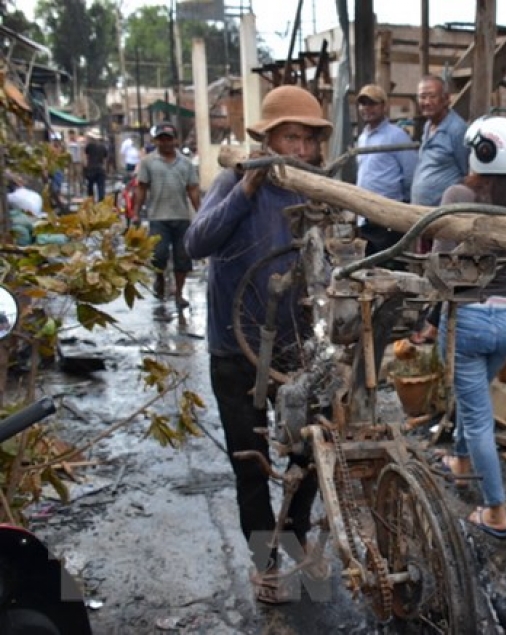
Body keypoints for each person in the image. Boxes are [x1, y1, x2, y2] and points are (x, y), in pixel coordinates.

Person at [183, 85, 333, 604]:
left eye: (308, 140)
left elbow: (327, 261)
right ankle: (263, 562)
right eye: (291, 137)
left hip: (294, 350)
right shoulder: (233, 181)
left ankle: (292, 538)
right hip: (236, 348)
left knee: (310, 452)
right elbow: (196, 242)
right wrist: (245, 190)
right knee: (250, 461)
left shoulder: (315, 189)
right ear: (267, 138)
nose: (300, 150)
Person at [431, 116, 506, 539]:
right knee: (473, 394)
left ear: (481, 152)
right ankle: (459, 462)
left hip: (470, 318)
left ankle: (495, 509)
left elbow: (441, 268)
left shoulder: (458, 195)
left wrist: (433, 315)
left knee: (478, 417)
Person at [132, 121, 201, 310]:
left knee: (182, 258)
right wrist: (136, 214)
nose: (165, 142)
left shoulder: (186, 164)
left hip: (181, 217)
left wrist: (201, 213)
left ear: (175, 140)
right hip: (157, 217)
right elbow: (142, 188)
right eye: (161, 139)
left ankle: (179, 293)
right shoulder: (148, 162)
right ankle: (160, 278)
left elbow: (193, 189)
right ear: (156, 141)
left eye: (168, 139)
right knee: (158, 255)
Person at [355, 83, 418, 259]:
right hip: (365, 215)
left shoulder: (396, 136)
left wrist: (401, 206)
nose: (367, 108)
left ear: (384, 106)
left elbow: (410, 174)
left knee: (390, 266)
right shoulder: (362, 137)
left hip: (387, 217)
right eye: (363, 104)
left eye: (372, 104)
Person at [410, 74, 469, 212]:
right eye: (422, 97)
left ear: (446, 99)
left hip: (441, 215)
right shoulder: (428, 126)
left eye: (432, 96)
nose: (426, 102)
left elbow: (466, 172)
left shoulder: (457, 130)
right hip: (420, 212)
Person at [83, 130, 108, 202]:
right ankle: (101, 203)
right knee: (101, 187)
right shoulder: (103, 147)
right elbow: (105, 159)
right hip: (100, 169)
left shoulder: (89, 146)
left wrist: (85, 167)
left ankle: (91, 203)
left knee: (90, 187)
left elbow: (85, 157)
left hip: (91, 169)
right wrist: (104, 168)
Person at [66, 129, 84, 197]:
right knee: (72, 176)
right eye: (70, 135)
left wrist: (82, 160)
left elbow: (81, 151)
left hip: (78, 161)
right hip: (70, 162)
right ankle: (74, 191)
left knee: (79, 176)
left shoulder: (78, 142)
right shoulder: (67, 143)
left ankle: (81, 189)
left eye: (72, 134)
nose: (71, 136)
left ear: (74, 134)